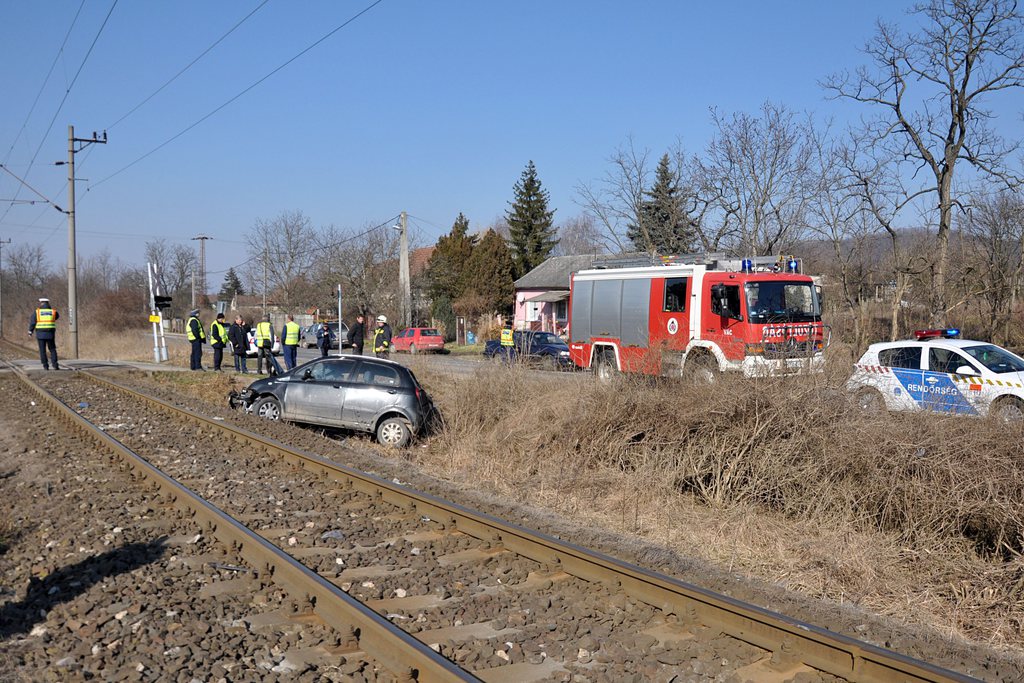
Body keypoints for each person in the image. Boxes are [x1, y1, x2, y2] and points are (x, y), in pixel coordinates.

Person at [28, 297, 60, 370]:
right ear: (48, 303)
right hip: (50, 333)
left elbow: (33, 322)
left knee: (42, 350)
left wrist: (30, 331)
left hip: (40, 334)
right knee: (52, 349)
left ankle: (45, 366)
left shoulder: (37, 312)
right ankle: (55, 365)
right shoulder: (53, 311)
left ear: (41, 303)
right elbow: (57, 317)